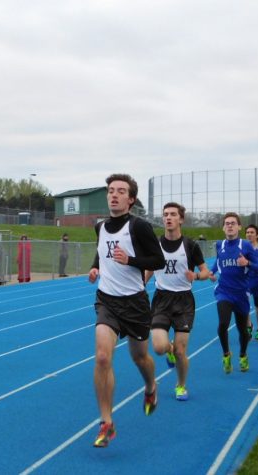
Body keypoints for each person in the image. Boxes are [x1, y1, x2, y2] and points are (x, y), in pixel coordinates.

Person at [88, 173, 165, 448]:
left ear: (131, 199)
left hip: (134, 303)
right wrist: (96, 266)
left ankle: (150, 387)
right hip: (107, 300)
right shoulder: (99, 227)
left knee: (140, 358)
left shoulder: (140, 227)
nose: (114, 195)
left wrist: (131, 260)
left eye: (121, 191)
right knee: (101, 357)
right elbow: (102, 251)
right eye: (111, 190)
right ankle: (106, 422)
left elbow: (157, 260)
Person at [145, 202, 209, 402]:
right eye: (165, 214)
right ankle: (169, 350)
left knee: (182, 351)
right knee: (159, 347)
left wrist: (196, 276)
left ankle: (180, 386)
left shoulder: (190, 245)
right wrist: (140, 286)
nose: (168, 218)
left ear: (181, 219)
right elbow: (148, 269)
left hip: (184, 302)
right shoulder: (155, 244)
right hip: (162, 299)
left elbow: (206, 272)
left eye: (173, 214)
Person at [209, 212, 258, 373]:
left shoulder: (246, 246)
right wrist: (212, 272)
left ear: (239, 226)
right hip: (224, 291)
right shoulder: (220, 245)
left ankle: (243, 354)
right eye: (227, 223)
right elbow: (218, 261)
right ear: (223, 228)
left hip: (241, 293)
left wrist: (247, 263)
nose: (230, 225)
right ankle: (226, 354)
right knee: (223, 324)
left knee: (242, 330)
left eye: (233, 223)